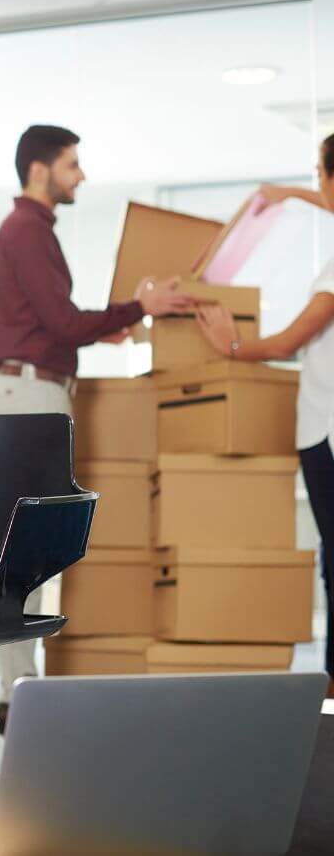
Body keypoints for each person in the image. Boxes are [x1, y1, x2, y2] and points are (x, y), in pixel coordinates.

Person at [0, 124, 194, 734]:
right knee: (24, 549)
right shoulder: (27, 231)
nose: (82, 175)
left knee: (27, 546)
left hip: (34, 392)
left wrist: (109, 325)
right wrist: (137, 307)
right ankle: (17, 690)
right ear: (41, 169)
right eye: (73, 165)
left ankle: (17, 688)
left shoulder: (28, 231)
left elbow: (58, 323)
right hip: (30, 397)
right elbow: (63, 321)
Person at [196, 132, 334, 698]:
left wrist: (232, 346)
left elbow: (292, 339)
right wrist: (294, 194)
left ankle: (331, 690)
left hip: (327, 431)